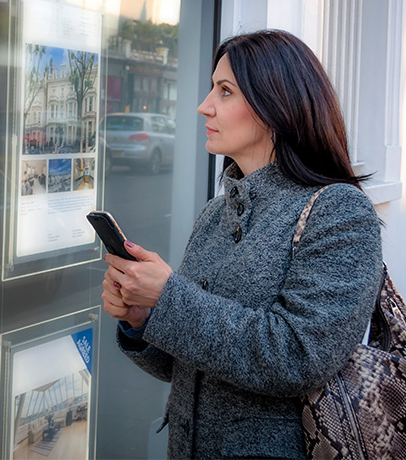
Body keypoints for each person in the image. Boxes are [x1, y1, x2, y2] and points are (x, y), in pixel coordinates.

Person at [101, 30, 382, 459]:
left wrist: (169, 299)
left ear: (277, 105)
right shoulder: (217, 213)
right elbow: (185, 365)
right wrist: (144, 316)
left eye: (225, 91)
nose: (204, 105)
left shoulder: (340, 212)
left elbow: (300, 357)